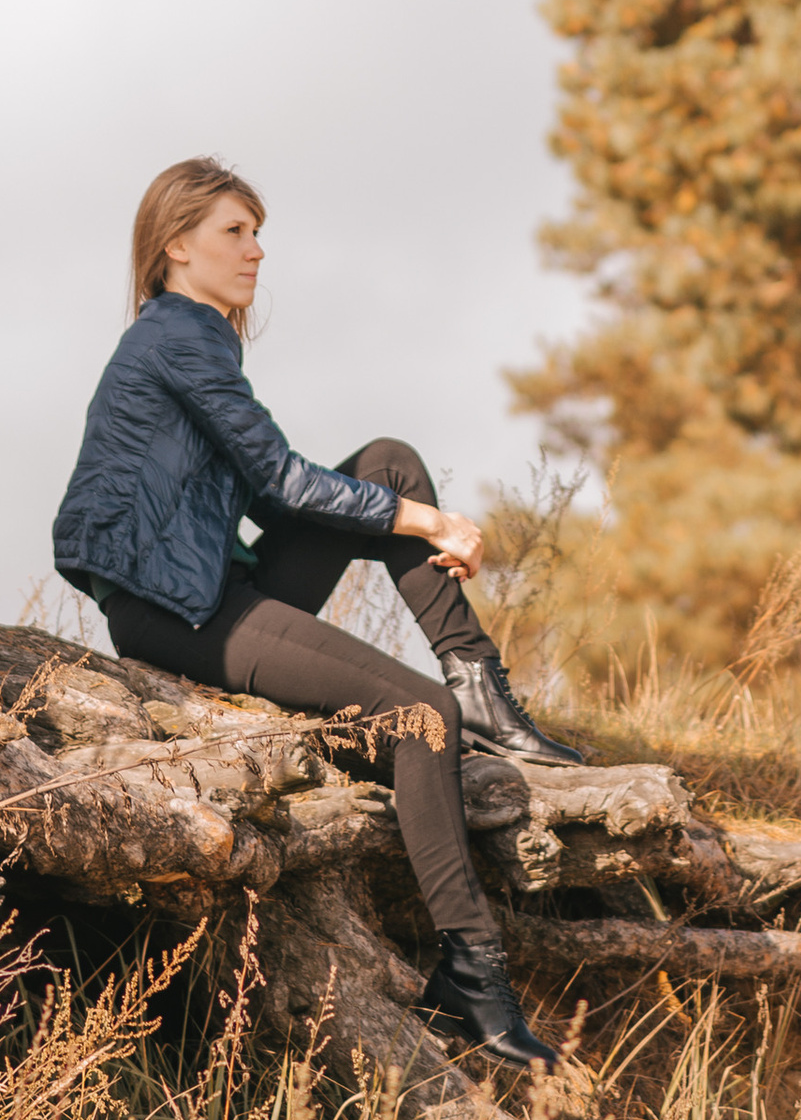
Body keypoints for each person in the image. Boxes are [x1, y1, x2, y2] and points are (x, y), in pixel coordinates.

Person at [52, 155, 583, 1072]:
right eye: (236, 232)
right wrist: (433, 522)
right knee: (421, 721)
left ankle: (481, 685)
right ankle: (473, 975)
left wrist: (405, 504)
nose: (258, 251)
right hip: (178, 613)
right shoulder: (176, 335)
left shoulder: (197, 336)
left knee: (386, 458)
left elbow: (280, 501)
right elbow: (281, 481)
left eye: (259, 233)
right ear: (176, 246)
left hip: (212, 588)